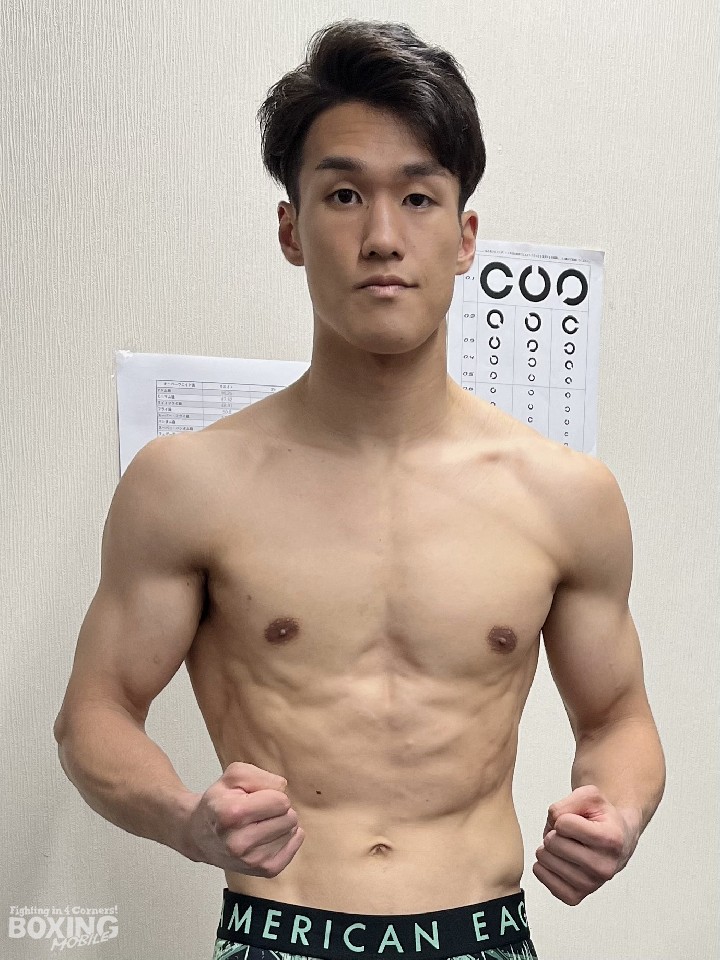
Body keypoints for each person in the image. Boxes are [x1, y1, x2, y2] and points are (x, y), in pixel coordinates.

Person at [53, 19, 666, 960]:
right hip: (277, 933)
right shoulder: (187, 483)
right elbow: (93, 714)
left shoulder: (565, 495)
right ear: (291, 230)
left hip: (481, 934)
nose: (383, 237)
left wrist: (616, 811)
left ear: (464, 238)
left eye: (418, 198)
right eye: (344, 195)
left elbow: (619, 716)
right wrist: (185, 820)